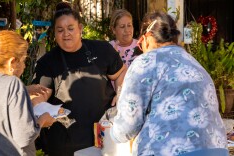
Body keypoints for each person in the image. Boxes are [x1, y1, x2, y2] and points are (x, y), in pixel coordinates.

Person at [110, 12, 228, 156]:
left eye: (140, 45)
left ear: (146, 38)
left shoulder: (146, 61)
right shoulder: (195, 63)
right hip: (217, 150)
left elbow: (127, 124)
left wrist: (112, 134)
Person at [32, 2, 126, 156]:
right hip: (66, 142)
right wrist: (36, 104)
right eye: (60, 30)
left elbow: (121, 72)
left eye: (70, 28)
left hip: (102, 138)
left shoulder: (102, 50)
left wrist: (120, 92)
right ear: (54, 34)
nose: (66, 34)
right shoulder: (48, 62)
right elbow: (40, 94)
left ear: (80, 29)